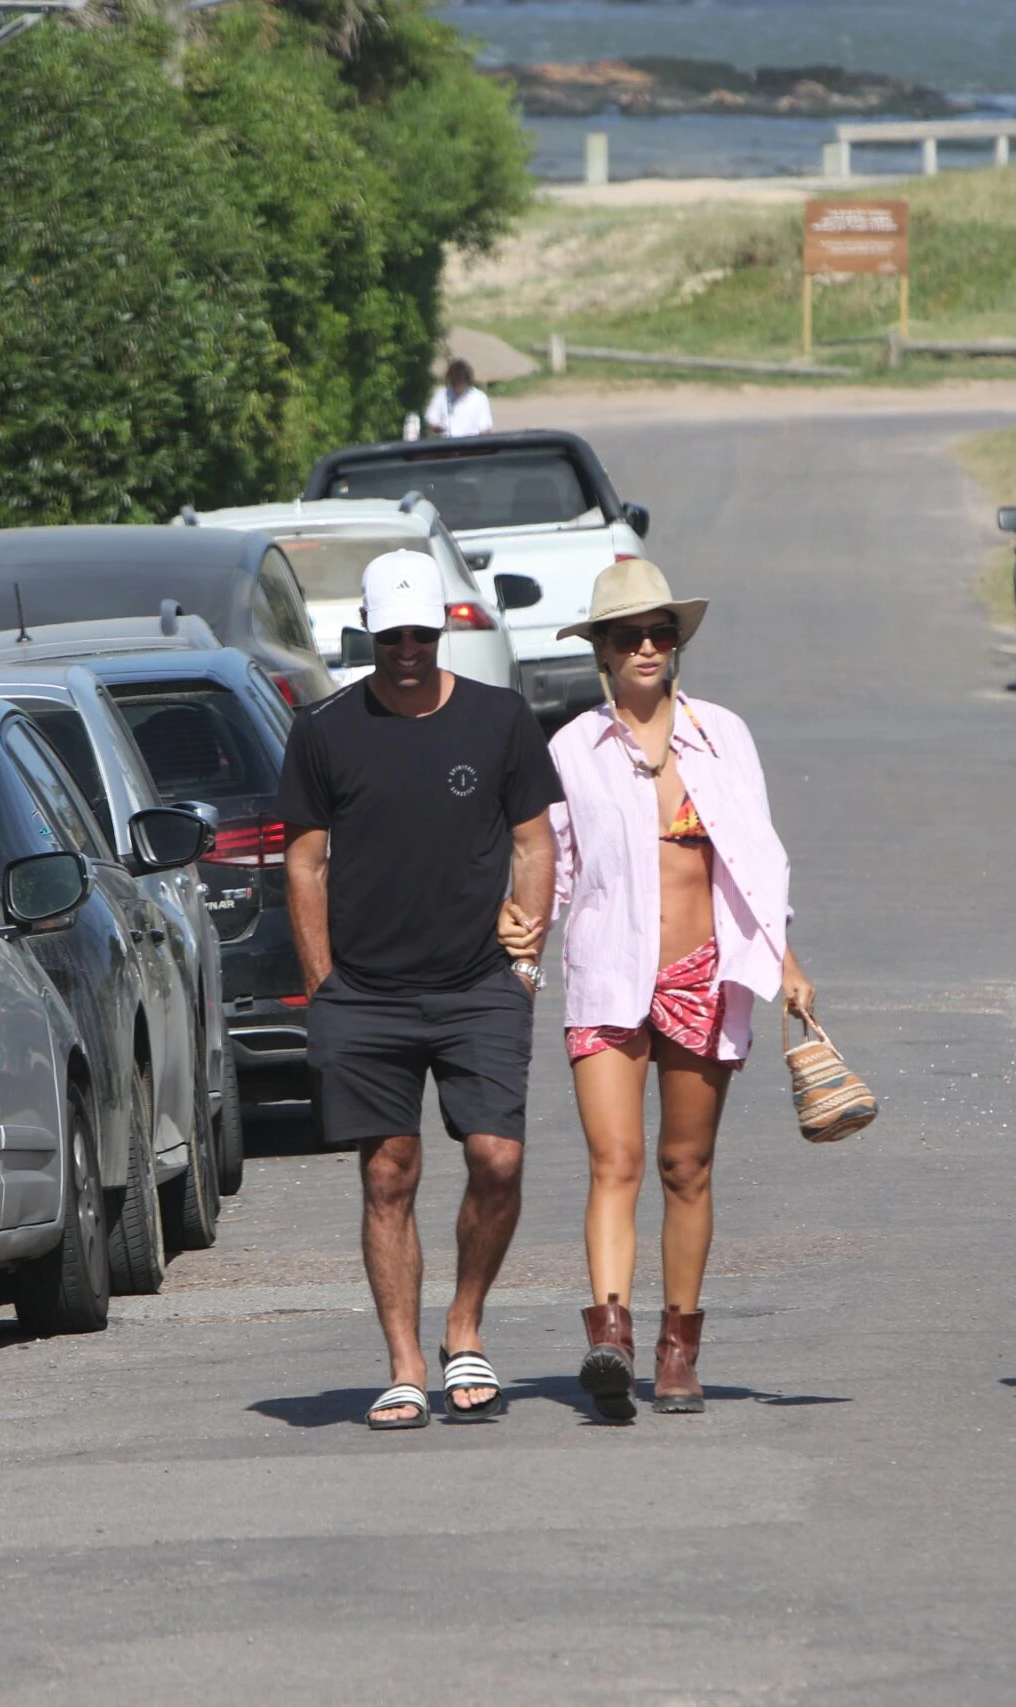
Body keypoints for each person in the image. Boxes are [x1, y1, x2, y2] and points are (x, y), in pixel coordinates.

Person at [500, 559, 813, 1420]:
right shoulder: (570, 750)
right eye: (628, 634)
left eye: (660, 633)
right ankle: (612, 1339)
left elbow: (756, 860)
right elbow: (551, 867)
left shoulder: (723, 737)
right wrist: (521, 937)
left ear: (677, 645)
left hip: (702, 974)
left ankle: (680, 1347)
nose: (647, 646)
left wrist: (783, 961)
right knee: (616, 1160)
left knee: (686, 1166)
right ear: (599, 650)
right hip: (606, 975)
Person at [280, 550, 561, 1429]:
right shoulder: (326, 730)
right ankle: (404, 1362)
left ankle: (464, 1325)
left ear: (441, 629)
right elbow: (305, 862)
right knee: (389, 1173)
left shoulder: (501, 720)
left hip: (479, 980)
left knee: (498, 1157)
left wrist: (526, 946)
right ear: (368, 632)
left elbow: (534, 843)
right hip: (367, 991)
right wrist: (324, 986)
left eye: (422, 633)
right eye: (392, 634)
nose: (407, 648)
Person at [424, 358, 493, 440]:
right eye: (453, 382)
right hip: (445, 444)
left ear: (467, 380)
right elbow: (430, 418)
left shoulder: (480, 398)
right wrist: (435, 427)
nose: (456, 385)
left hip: (470, 445)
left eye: (459, 382)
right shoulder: (441, 395)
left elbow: (485, 427)